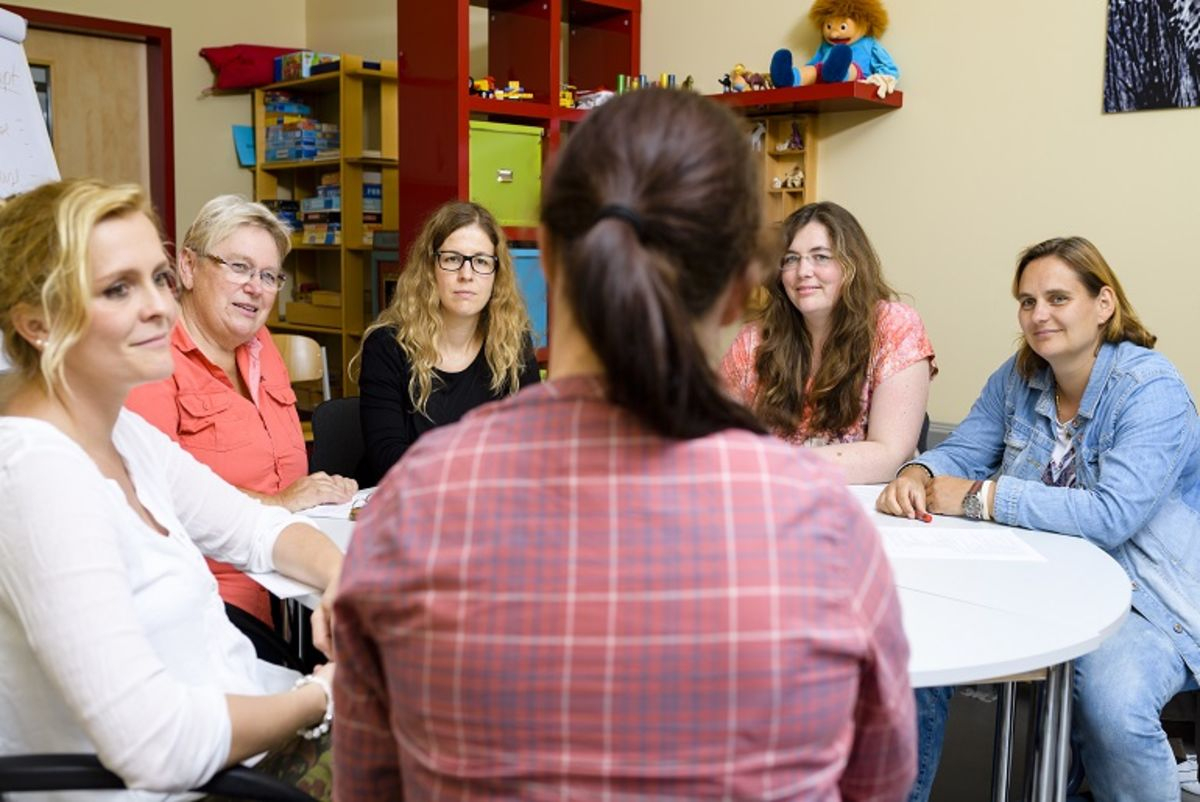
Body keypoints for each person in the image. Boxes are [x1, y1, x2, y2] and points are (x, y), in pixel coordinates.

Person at [334, 88, 916, 800]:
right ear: (741, 289)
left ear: (543, 257)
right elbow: (878, 785)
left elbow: (369, 785)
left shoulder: (414, 503)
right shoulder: (826, 527)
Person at [0, 179, 343, 799]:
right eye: (117, 288)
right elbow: (158, 746)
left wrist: (341, 579)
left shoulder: (122, 432)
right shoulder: (34, 477)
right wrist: (319, 695)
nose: (160, 305)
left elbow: (254, 526)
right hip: (210, 780)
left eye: (158, 278)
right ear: (37, 324)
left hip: (248, 733)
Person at [877, 236, 1200, 802]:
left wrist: (983, 498)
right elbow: (965, 450)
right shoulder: (1019, 376)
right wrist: (919, 472)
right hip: (1040, 578)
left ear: (1104, 305)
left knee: (1111, 703)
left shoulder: (1151, 388)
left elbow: (1111, 515)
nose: (1038, 315)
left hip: (1148, 599)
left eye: (1057, 297)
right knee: (916, 638)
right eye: (1026, 301)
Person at [126, 195, 356, 627]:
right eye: (239, 267)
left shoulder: (259, 344)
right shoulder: (153, 357)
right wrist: (278, 502)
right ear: (189, 267)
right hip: (206, 599)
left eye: (269, 275)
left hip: (287, 580)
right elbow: (150, 498)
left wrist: (320, 492)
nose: (256, 286)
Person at [721, 201, 936, 484]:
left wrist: (775, 464)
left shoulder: (894, 326)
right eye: (791, 259)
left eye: (821, 257)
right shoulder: (753, 339)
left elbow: (890, 455)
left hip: (865, 508)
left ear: (852, 265)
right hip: (771, 504)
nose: (803, 271)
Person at [352, 200, 541, 487]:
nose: (467, 274)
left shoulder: (512, 344)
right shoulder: (388, 345)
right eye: (452, 259)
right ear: (430, 268)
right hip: (403, 507)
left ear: (496, 274)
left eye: (481, 261)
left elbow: (532, 445)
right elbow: (388, 458)